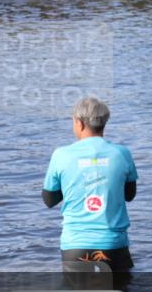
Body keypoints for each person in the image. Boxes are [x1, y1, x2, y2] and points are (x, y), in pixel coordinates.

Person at [42, 97, 139, 272]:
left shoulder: (61, 155)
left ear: (79, 123)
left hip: (75, 247)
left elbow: (49, 200)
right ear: (103, 124)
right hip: (113, 245)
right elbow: (129, 195)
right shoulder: (122, 153)